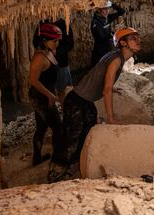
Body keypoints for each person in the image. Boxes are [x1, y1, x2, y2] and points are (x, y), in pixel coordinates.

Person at [48, 27, 141, 182]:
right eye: (133, 38)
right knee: (71, 137)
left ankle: (75, 166)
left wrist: (112, 88)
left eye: (138, 37)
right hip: (77, 101)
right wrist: (111, 118)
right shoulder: (116, 59)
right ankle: (55, 172)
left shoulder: (115, 56)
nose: (138, 40)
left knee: (87, 132)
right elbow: (106, 89)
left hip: (85, 101)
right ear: (123, 43)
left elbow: (102, 78)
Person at [28, 23, 63, 166]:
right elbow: (32, 80)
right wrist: (50, 95)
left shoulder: (49, 53)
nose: (57, 43)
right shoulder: (39, 58)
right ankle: (57, 160)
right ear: (43, 40)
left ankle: (36, 159)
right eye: (54, 41)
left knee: (41, 127)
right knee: (58, 128)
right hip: (40, 97)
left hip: (46, 95)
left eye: (57, 40)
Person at [91, 1, 125, 66]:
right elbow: (101, 38)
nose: (107, 11)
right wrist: (113, 32)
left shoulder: (106, 18)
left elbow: (122, 11)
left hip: (108, 48)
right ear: (98, 10)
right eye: (104, 9)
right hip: (100, 52)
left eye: (108, 8)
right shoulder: (96, 23)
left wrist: (111, 4)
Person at [53, 18, 74, 105]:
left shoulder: (64, 24)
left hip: (61, 62)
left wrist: (57, 52)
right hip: (49, 63)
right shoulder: (44, 22)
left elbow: (70, 44)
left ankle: (65, 107)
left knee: (65, 88)